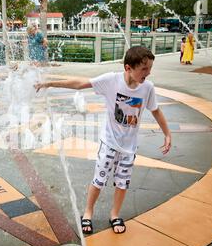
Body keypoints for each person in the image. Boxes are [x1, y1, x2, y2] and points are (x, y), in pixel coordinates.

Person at [34, 47, 171, 234]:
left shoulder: (147, 88)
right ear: (128, 67)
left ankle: (115, 214)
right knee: (99, 181)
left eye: (150, 68)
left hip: (129, 147)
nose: (148, 73)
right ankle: (88, 213)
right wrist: (50, 83)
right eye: (144, 69)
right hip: (109, 142)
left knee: (122, 183)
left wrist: (167, 133)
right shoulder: (111, 81)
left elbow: (156, 111)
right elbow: (80, 84)